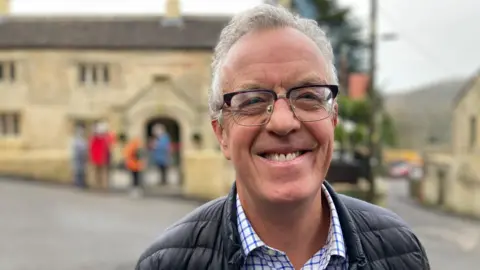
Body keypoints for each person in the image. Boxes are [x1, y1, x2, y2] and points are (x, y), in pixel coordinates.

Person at [136, 4, 429, 270]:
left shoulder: (401, 253)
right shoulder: (165, 264)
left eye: (307, 96)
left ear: (334, 119)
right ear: (222, 133)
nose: (283, 121)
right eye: (251, 100)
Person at [89, 122, 110, 190]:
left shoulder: (94, 139)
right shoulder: (104, 139)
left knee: (97, 173)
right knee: (102, 173)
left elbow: (91, 148)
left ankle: (96, 185)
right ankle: (102, 185)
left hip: (97, 158)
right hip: (101, 158)